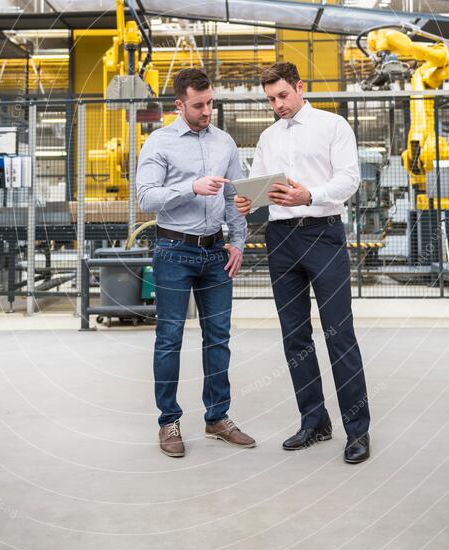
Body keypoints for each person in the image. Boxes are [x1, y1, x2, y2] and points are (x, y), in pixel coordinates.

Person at [234, 62, 370, 464]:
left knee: (338, 333)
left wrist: (308, 196)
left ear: (299, 88)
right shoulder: (268, 137)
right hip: (281, 240)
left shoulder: (332, 126)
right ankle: (314, 421)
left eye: (282, 96)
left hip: (323, 234)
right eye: (270, 99)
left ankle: (357, 431)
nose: (277, 105)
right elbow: (259, 186)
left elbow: (350, 179)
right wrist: (247, 201)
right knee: (295, 337)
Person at [136, 67, 256, 458]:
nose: (207, 111)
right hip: (174, 250)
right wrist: (190, 186)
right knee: (169, 339)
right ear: (179, 104)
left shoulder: (224, 143)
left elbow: (234, 198)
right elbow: (146, 198)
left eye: (210, 103)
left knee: (218, 338)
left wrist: (238, 241)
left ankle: (217, 417)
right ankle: (168, 421)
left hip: (216, 252)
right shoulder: (160, 142)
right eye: (198, 105)